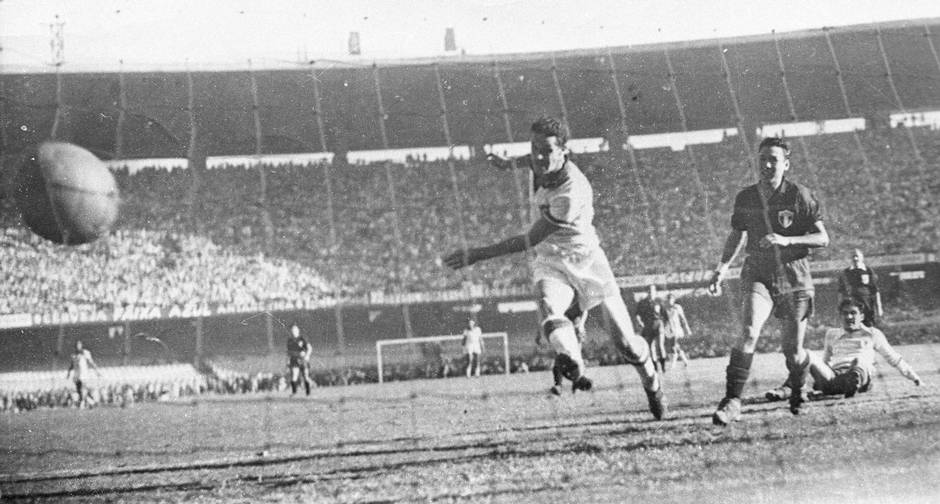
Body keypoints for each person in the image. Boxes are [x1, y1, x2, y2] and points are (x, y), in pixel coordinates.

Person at [443, 116, 667, 419]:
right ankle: (572, 360)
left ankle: (652, 382)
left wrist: (478, 254)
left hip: (587, 262)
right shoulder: (540, 162)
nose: (538, 157)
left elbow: (529, 238)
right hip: (550, 260)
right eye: (534, 148)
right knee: (549, 304)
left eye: (546, 150)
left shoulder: (571, 192)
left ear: (564, 151)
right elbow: (531, 161)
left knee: (628, 346)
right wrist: (508, 163)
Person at [706, 136, 829, 425]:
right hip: (758, 272)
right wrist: (722, 268)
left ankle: (798, 387)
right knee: (749, 331)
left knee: (794, 353)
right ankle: (732, 401)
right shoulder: (746, 197)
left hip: (794, 275)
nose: (767, 164)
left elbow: (823, 238)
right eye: (763, 159)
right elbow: (737, 234)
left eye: (774, 159)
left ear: (786, 164)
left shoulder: (799, 194)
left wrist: (787, 240)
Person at [766, 298, 922, 401]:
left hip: (862, 373)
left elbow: (893, 358)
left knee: (859, 362)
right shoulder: (832, 334)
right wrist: (817, 378)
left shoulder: (873, 334)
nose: (849, 317)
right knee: (806, 354)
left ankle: (852, 382)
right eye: (845, 314)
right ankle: (788, 389)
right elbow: (825, 361)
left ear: (861, 316)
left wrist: (914, 377)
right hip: (834, 376)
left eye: (853, 313)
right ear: (839, 316)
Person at [838, 249, 882, 327]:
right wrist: (840, 308)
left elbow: (875, 290)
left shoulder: (868, 271)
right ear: (850, 259)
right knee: (855, 326)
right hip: (853, 305)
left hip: (867, 304)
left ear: (862, 258)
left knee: (870, 327)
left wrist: (879, 307)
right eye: (853, 257)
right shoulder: (845, 273)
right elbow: (841, 292)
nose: (855, 259)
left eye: (857, 256)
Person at [635, 284, 667, 373]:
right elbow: (637, 314)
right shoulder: (642, 302)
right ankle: (655, 367)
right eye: (649, 290)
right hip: (648, 326)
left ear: (655, 292)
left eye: (652, 290)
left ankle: (663, 367)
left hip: (658, 324)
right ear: (647, 292)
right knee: (650, 347)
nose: (651, 292)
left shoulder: (659, 301)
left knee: (660, 346)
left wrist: (665, 325)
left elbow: (665, 315)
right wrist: (639, 322)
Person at [66, 340, 102, 409]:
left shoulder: (85, 353)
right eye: (77, 345)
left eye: (79, 345)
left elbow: (91, 362)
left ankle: (82, 404)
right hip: (76, 376)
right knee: (79, 391)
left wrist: (97, 371)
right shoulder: (73, 355)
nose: (78, 346)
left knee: (83, 389)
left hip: (84, 375)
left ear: (81, 345)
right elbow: (71, 366)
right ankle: (92, 402)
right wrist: (68, 374)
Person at [663, 293, 692, 369]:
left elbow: (683, 318)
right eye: (668, 299)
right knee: (675, 346)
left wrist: (687, 328)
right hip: (668, 329)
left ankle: (673, 364)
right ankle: (685, 361)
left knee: (673, 345)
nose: (669, 301)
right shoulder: (665, 308)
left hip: (676, 329)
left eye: (671, 299)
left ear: (674, 300)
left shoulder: (677, 307)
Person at [286, 323, 313, 396]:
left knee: (305, 376)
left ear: (298, 330)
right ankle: (294, 392)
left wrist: (307, 355)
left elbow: (309, 348)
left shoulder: (302, 338)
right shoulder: (289, 340)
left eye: (295, 330)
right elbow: (288, 352)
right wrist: (287, 361)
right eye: (292, 330)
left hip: (302, 360)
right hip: (294, 360)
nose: (293, 331)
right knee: (294, 376)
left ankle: (308, 393)